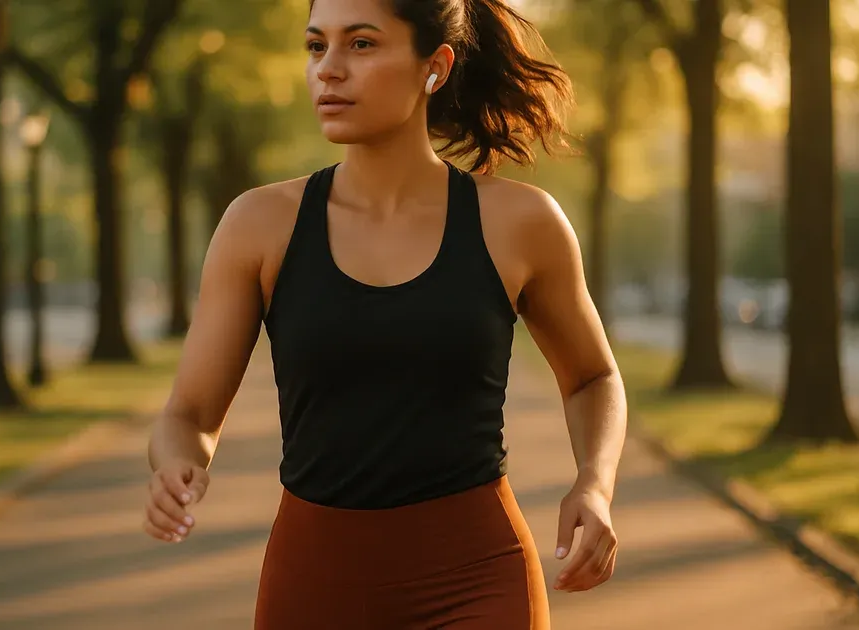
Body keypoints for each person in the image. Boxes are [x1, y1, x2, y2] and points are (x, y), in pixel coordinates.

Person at [144, 0, 628, 627]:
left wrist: (595, 482)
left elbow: (593, 378)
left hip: (477, 581)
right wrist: (177, 462)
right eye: (317, 47)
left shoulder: (521, 223)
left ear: (435, 65)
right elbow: (188, 415)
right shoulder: (259, 226)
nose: (330, 69)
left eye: (362, 45)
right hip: (313, 584)